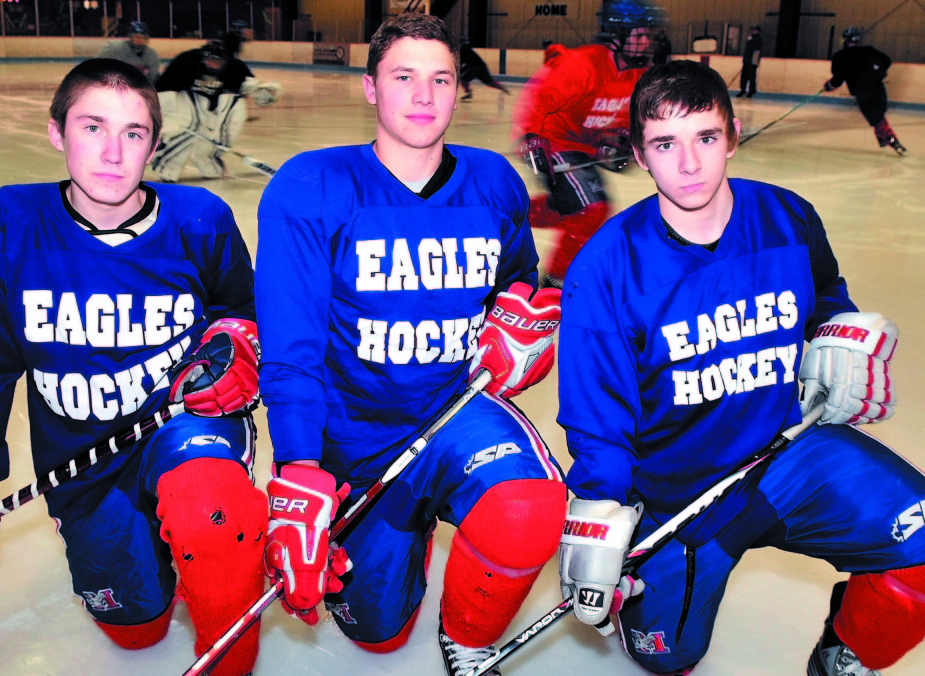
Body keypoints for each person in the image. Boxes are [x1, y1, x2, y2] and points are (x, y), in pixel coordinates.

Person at [556, 59, 925, 676]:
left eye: (705, 138)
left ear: (731, 132)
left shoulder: (788, 216)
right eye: (665, 144)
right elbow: (600, 417)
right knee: (668, 659)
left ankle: (845, 657)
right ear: (641, 157)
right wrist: (599, 510)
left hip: (787, 455)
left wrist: (837, 334)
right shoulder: (606, 266)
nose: (690, 164)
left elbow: (825, 293)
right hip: (678, 495)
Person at [0, 59, 267, 676]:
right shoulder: (7, 222)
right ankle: (168, 561)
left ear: (153, 145)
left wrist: (237, 346)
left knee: (210, 518)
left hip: (183, 426)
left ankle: (225, 618)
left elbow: (241, 313)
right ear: (57, 132)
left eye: (133, 133)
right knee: (137, 632)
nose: (113, 152)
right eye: (92, 127)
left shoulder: (199, 218)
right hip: (80, 460)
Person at [254, 13, 566, 676]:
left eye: (440, 79)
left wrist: (523, 335)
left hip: (455, 411)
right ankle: (406, 527)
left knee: (527, 509)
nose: (423, 96)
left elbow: (514, 292)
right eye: (403, 77)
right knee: (375, 635)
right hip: (354, 430)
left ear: (459, 90)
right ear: (370, 87)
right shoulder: (311, 187)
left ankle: (467, 636)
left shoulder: (492, 182)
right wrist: (299, 468)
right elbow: (292, 351)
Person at [510, 0, 665, 289]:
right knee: (591, 209)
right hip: (553, 141)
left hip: (583, 149)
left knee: (572, 209)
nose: (647, 43)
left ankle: (504, 217)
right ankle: (555, 282)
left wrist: (620, 145)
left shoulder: (637, 76)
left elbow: (626, 121)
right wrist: (531, 137)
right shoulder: (584, 64)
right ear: (617, 35)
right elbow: (541, 98)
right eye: (639, 35)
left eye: (649, 36)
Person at [152, 34, 281, 182]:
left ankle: (207, 158)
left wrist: (263, 93)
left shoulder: (234, 67)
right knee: (186, 127)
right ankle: (167, 163)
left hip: (214, 106)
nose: (212, 65)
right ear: (202, 58)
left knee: (223, 126)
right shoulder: (187, 61)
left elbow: (250, 88)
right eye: (209, 61)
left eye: (217, 62)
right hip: (187, 101)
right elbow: (162, 89)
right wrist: (169, 117)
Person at [825, 27, 905, 155]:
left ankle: (891, 140)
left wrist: (829, 86)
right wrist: (878, 71)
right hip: (878, 87)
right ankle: (884, 138)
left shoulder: (840, 57)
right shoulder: (869, 50)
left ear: (844, 40)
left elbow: (838, 79)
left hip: (862, 92)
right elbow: (887, 60)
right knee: (879, 114)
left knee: (876, 118)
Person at [97, 21, 161, 84]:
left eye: (142, 37)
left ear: (146, 39)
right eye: (136, 37)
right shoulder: (115, 49)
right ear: (131, 37)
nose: (139, 40)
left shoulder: (152, 55)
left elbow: (153, 77)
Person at [737, 25, 762, 98]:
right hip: (746, 61)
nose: (753, 31)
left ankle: (751, 91)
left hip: (752, 62)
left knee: (751, 78)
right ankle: (742, 90)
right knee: (743, 77)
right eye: (752, 30)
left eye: (754, 30)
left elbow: (757, 52)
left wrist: (754, 62)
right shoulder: (750, 39)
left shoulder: (758, 39)